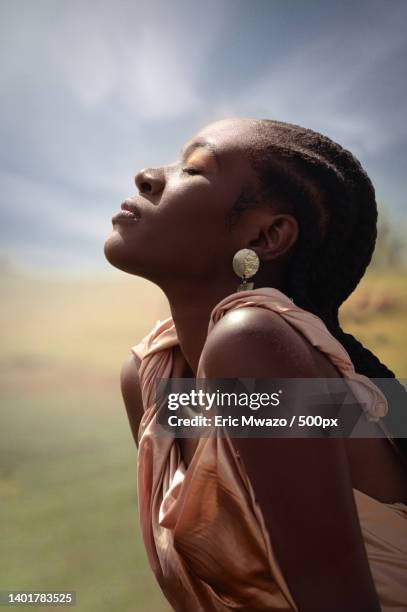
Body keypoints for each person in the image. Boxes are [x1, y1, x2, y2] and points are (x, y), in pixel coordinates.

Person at [104, 118, 407, 611]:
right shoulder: (154, 378)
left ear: (267, 238)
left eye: (194, 169)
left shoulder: (253, 344)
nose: (147, 176)